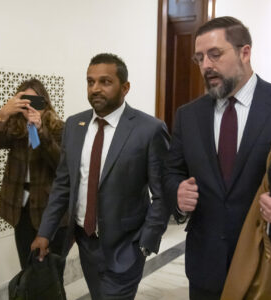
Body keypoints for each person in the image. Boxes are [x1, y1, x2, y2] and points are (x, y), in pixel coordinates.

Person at [162, 16, 271, 300]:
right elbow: (170, 172)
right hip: (206, 270)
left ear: (245, 52)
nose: (206, 65)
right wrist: (176, 193)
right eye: (199, 58)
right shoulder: (188, 116)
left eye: (215, 55)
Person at [31, 53, 170, 300]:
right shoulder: (75, 125)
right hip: (86, 244)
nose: (95, 88)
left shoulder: (149, 130)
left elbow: (162, 193)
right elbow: (63, 184)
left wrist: (147, 241)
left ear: (125, 88)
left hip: (127, 246)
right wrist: (45, 232)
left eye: (105, 82)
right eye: (90, 81)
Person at [0, 79, 69, 271]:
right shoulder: (15, 127)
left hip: (51, 208)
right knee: (27, 267)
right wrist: (2, 115)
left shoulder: (59, 128)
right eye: (25, 102)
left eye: (36, 102)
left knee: (50, 271)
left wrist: (40, 130)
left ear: (45, 102)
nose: (30, 106)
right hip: (21, 207)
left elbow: (60, 164)